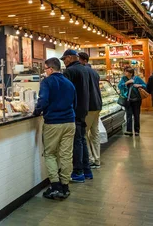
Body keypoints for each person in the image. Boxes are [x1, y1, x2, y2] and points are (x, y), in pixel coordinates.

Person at [34, 58, 76, 199]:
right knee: (66, 155)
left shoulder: (47, 82)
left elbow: (43, 100)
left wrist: (36, 111)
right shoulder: (69, 83)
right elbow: (74, 102)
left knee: (50, 154)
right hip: (70, 122)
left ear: (50, 69)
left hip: (53, 122)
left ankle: (55, 186)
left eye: (45, 69)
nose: (44, 72)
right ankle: (65, 186)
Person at [61, 49, 92, 183]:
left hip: (74, 109)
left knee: (76, 141)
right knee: (82, 139)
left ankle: (78, 172)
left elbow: (65, 92)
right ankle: (87, 170)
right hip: (84, 108)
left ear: (69, 58)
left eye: (64, 59)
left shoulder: (69, 71)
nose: (64, 62)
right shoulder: (84, 69)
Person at [78, 52, 103, 168]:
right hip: (97, 105)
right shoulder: (94, 72)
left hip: (88, 107)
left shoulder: (83, 71)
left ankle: (90, 159)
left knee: (83, 133)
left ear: (82, 60)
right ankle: (97, 159)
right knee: (94, 133)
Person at [118, 67, 146, 136]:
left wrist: (139, 85)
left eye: (126, 71)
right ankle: (129, 130)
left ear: (131, 73)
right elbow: (119, 86)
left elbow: (145, 85)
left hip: (137, 100)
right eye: (125, 71)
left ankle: (137, 131)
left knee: (136, 115)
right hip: (127, 99)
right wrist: (126, 83)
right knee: (129, 115)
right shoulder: (123, 79)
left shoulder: (137, 78)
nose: (125, 73)